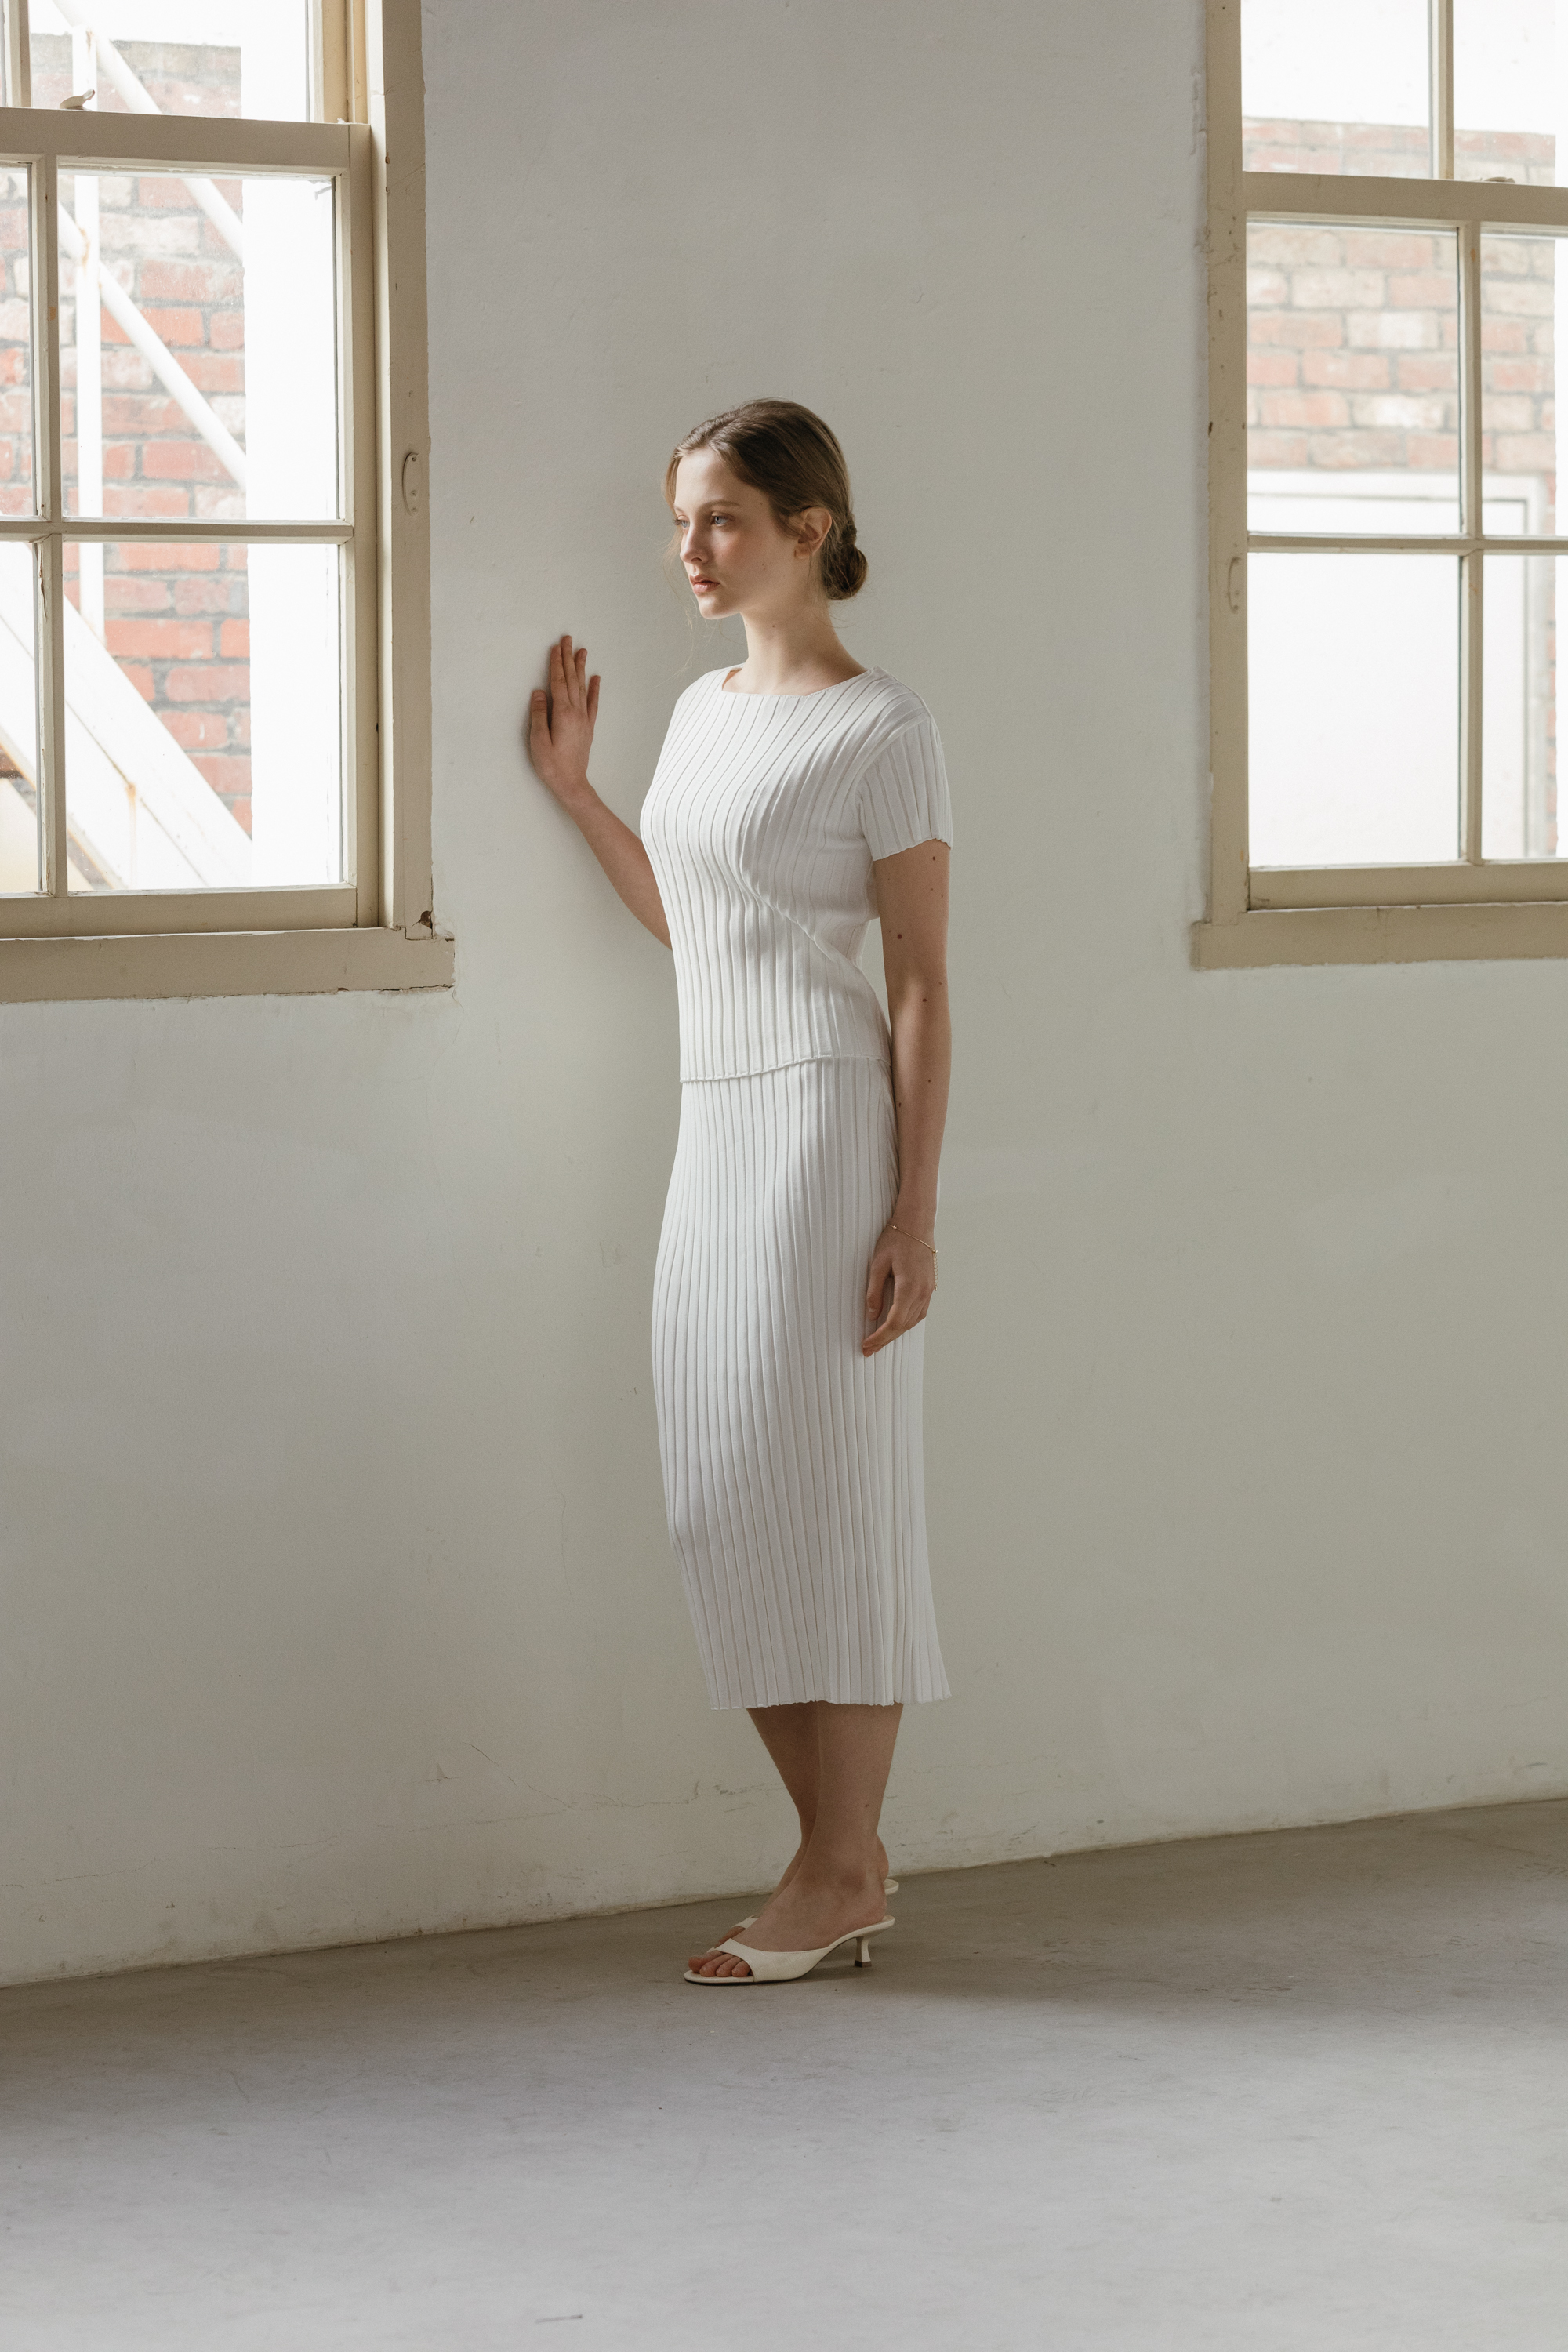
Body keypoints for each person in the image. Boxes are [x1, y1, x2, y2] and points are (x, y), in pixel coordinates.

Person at [527, 399, 953, 1984]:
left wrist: (913, 1211)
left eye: (719, 518)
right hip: (714, 1126)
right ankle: (846, 1859)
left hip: (827, 1129)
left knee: (833, 1499)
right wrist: (583, 797)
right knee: (721, 1496)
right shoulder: (700, 710)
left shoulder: (885, 728)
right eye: (683, 519)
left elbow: (920, 980)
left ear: (808, 530)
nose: (689, 549)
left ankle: (834, 1868)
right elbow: (698, 922)